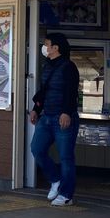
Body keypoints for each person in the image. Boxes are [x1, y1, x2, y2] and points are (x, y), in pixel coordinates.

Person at [30, 32, 80, 206]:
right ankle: (56, 179)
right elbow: (44, 90)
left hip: (63, 117)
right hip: (46, 117)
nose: (44, 47)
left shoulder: (69, 67)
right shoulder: (48, 66)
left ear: (55, 47)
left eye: (47, 44)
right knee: (36, 149)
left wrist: (66, 112)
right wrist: (36, 109)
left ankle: (66, 195)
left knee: (66, 157)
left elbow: (72, 92)